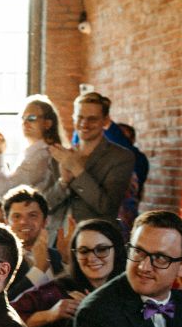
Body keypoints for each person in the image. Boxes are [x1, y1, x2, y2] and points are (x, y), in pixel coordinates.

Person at [11, 218, 125, 327]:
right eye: (83, 251)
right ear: (75, 255)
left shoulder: (132, 289)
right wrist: (50, 314)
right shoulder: (58, 290)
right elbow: (9, 319)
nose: (92, 257)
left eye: (102, 249)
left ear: (117, 250)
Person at [45, 92, 135, 226]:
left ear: (105, 121)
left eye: (92, 119)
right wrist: (63, 182)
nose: (84, 124)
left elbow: (106, 207)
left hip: (97, 239)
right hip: (58, 239)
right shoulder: (61, 155)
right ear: (73, 118)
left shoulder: (121, 157)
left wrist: (76, 169)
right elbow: (46, 206)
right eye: (80, 117)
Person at [0, 95, 65, 196]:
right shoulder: (32, 152)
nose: (25, 123)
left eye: (31, 118)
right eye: (23, 118)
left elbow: (5, 189)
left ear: (47, 123)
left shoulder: (42, 155)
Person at [2, 185, 64, 300]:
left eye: (32, 215)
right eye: (16, 216)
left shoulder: (58, 256)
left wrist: (68, 261)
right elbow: (4, 301)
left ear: (45, 221)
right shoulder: (0, 260)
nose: (24, 221)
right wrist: (38, 270)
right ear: (6, 222)